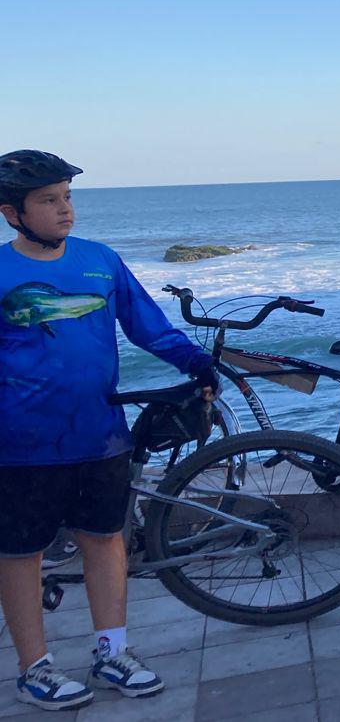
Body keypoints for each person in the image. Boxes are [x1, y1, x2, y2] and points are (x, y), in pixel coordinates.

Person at [0, 150, 218, 711]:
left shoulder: (101, 261)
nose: (64, 210)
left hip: (100, 435)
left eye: (67, 197)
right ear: (12, 213)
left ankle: (112, 651)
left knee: (105, 541)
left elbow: (149, 326)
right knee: (21, 554)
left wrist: (196, 363)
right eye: (48, 200)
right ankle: (35, 667)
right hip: (20, 446)